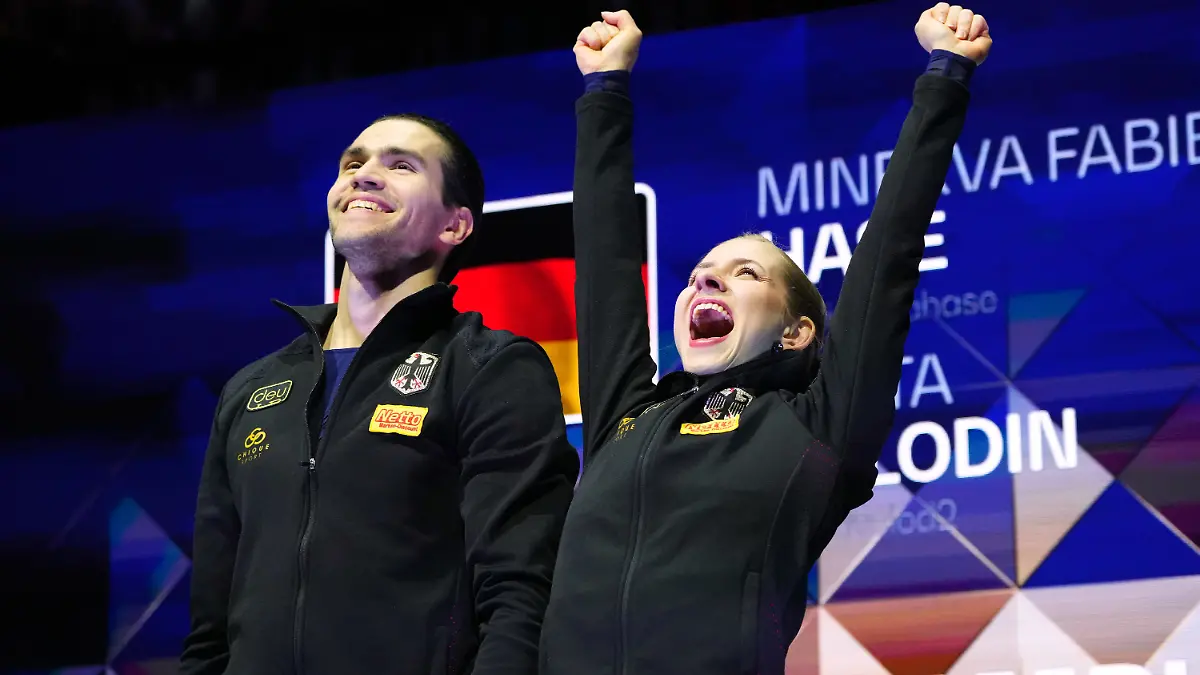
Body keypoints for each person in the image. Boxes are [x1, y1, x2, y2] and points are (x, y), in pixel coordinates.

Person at [539, 5, 992, 674]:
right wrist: (604, 86)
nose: (705, 285)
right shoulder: (627, 419)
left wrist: (946, 74)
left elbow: (887, 255)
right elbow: (605, 263)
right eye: (697, 277)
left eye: (742, 273)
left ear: (797, 330)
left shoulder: (817, 427)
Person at [180, 113, 580, 675]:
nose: (365, 175)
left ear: (455, 226)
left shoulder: (489, 368)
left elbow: (520, 596)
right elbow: (209, 628)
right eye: (353, 163)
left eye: (400, 165)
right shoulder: (251, 389)